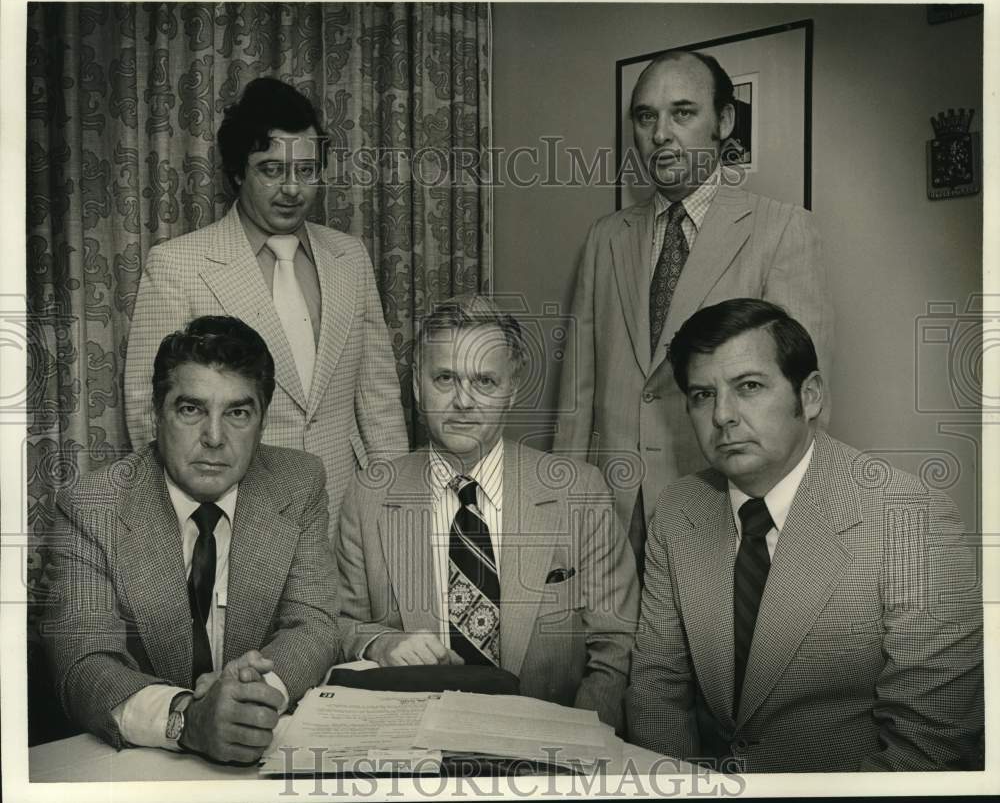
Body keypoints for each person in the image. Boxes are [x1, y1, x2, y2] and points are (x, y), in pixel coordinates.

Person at [627, 299, 983, 772]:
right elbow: (657, 691)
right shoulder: (677, 510)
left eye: (748, 387)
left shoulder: (908, 517)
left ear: (809, 395)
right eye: (701, 395)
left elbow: (932, 742)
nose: (722, 416)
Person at [554, 51, 834, 580]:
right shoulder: (605, 238)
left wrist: (786, 528)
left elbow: (803, 406)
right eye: (646, 116)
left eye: (682, 113)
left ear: (722, 122)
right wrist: (563, 507)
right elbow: (577, 394)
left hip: (725, 508)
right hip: (609, 515)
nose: (661, 133)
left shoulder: (780, 230)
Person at [44, 317, 341, 763]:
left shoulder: (299, 483)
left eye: (238, 413)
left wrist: (251, 701)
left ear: (261, 422)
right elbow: (84, 664)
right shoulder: (92, 506)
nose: (215, 438)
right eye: (191, 410)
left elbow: (313, 623)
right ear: (156, 414)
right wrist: (189, 718)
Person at [337, 296, 639, 733]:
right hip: (414, 749)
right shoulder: (370, 493)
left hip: (550, 752)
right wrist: (380, 643)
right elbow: (338, 624)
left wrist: (577, 743)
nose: (463, 401)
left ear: (512, 389)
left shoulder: (579, 491)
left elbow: (616, 645)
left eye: (484, 381)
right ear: (418, 387)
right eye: (445, 378)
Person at [123, 77, 408, 536]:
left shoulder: (349, 256)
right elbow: (148, 410)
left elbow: (379, 398)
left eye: (307, 170)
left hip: (347, 509)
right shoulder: (178, 265)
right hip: (233, 513)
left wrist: (395, 509)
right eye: (272, 170)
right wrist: (198, 515)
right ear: (238, 171)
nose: (292, 189)